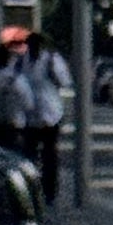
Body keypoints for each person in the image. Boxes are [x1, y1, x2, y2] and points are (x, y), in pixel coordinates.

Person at [19, 32, 71, 205]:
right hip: (29, 115)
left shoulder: (52, 60)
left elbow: (65, 81)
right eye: (30, 45)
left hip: (50, 113)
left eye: (36, 46)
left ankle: (49, 192)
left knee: (50, 155)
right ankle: (31, 188)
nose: (33, 49)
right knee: (28, 154)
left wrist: (53, 73)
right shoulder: (22, 61)